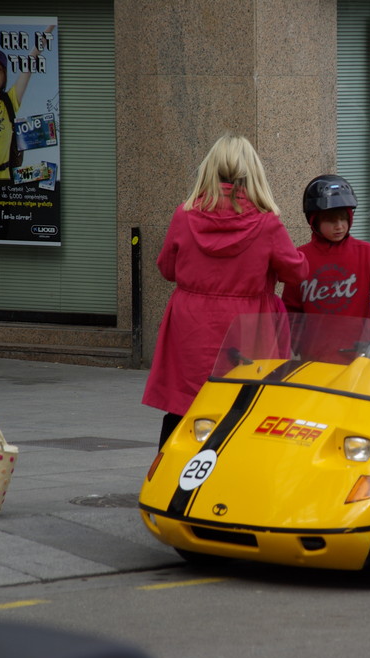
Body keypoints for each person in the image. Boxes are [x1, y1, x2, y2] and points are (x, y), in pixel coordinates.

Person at [142, 134, 309, 447]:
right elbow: (295, 272)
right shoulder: (266, 222)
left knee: (184, 408)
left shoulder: (185, 214)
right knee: (244, 407)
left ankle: (170, 479)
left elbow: (167, 269)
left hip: (191, 326)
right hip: (249, 327)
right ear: (252, 173)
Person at [281, 175, 370, 356]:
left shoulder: (366, 253)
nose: (339, 226)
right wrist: (295, 344)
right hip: (314, 358)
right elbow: (291, 309)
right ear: (314, 221)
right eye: (331, 219)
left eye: (343, 218)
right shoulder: (301, 257)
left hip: (359, 354)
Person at [0, 28, 54, 180]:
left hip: (1, 180)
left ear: (5, 75)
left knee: (47, 172)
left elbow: (29, 63)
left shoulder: (10, 101)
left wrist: (49, 30)